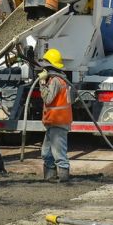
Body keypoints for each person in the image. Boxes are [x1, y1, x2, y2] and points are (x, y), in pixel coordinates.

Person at [37, 48, 72, 183]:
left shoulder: (56, 81)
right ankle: (50, 176)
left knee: (59, 153)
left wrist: (42, 83)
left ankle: (64, 179)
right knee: (46, 152)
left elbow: (48, 99)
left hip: (59, 121)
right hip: (53, 121)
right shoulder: (60, 79)